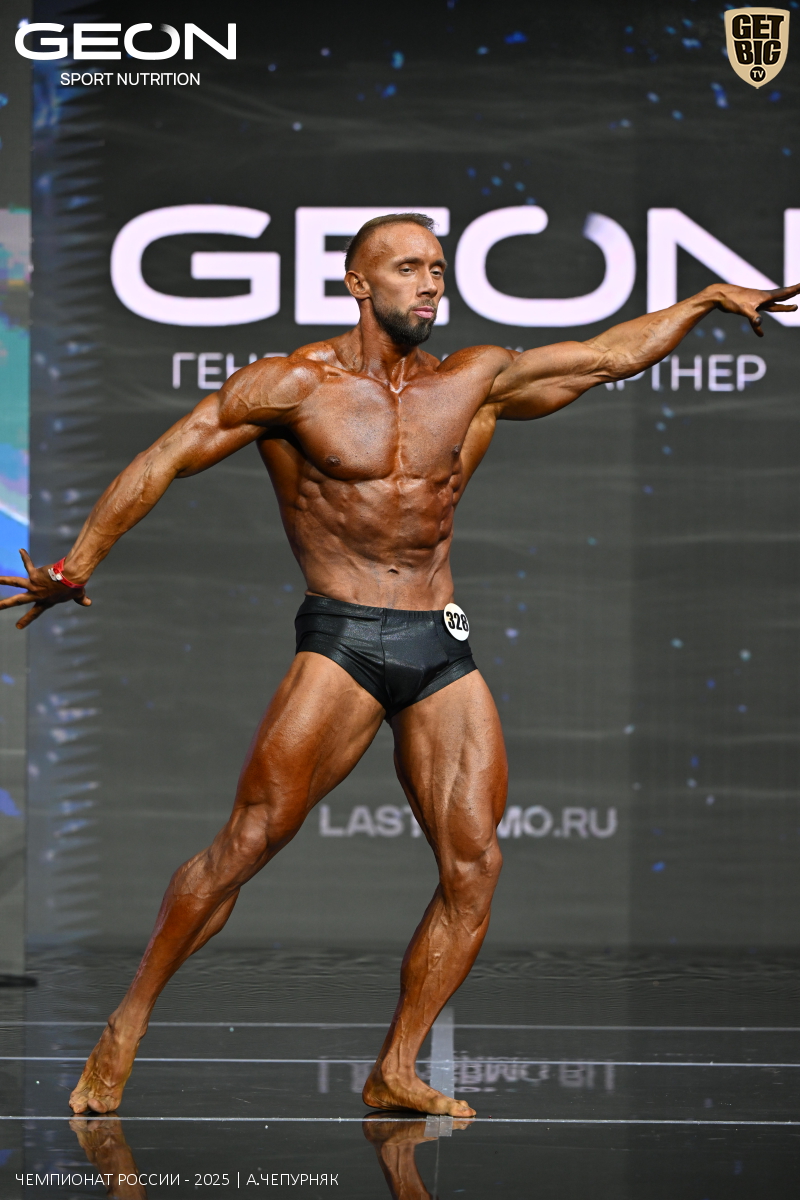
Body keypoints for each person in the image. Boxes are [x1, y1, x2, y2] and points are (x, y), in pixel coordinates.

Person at [1, 213, 796, 1118]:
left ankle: (397, 1065)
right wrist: (77, 565)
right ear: (358, 282)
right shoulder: (293, 385)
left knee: (475, 866)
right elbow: (169, 454)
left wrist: (702, 300)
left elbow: (605, 356)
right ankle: (128, 1021)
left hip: (438, 642)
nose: (430, 284)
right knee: (247, 844)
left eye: (439, 269)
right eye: (410, 268)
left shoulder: (472, 380)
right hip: (344, 637)